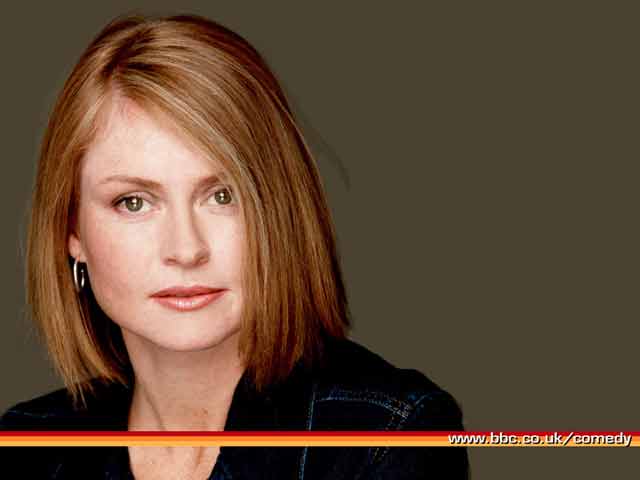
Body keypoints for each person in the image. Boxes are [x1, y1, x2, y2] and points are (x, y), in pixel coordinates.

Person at [0, 13, 469, 479]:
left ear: (278, 212)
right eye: (134, 202)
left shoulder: (387, 440)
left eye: (223, 196)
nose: (186, 249)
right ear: (73, 232)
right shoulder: (23, 450)